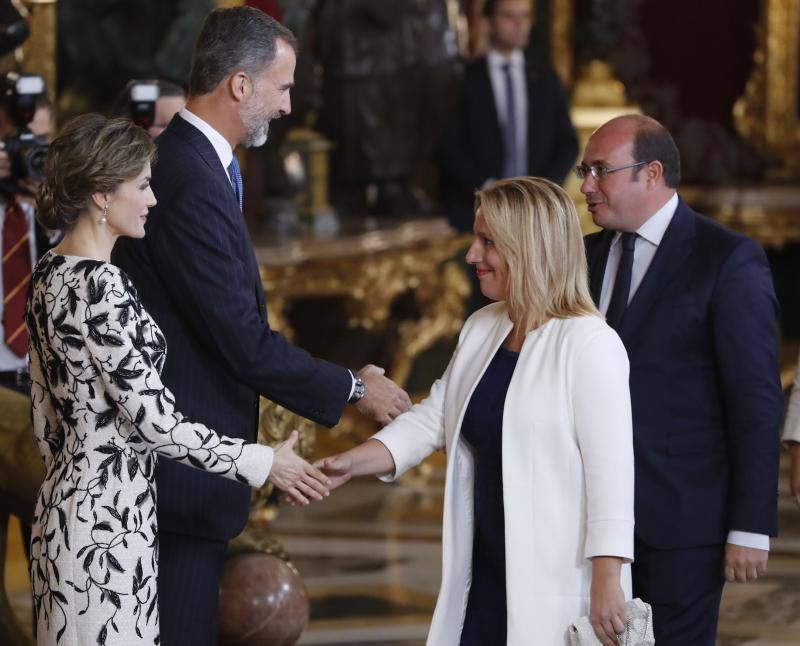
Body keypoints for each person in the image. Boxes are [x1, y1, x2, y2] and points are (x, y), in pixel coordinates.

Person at [111, 7, 411, 644]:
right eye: (283, 87)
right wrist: (356, 387)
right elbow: (241, 341)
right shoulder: (189, 175)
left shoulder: (202, 163)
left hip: (192, 476)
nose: (287, 105)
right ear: (240, 85)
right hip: (179, 481)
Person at [26, 113, 330, 645]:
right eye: (142, 186)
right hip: (108, 533)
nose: (153, 200)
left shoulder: (50, 272)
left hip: (70, 511)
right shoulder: (102, 288)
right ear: (101, 194)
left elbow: (44, 416)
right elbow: (156, 424)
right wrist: (263, 461)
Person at [314, 177, 635, 646]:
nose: (471, 255)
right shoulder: (483, 326)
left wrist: (608, 581)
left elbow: (612, 475)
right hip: (483, 570)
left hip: (560, 584)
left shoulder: (590, 344)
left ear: (529, 248)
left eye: (488, 242)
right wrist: (352, 462)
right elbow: (435, 418)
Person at [581, 114, 783, 645]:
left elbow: (756, 401)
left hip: (683, 522)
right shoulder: (582, 257)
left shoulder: (726, 259)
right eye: (585, 170)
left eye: (600, 170)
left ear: (650, 174)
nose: (585, 185)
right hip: (589, 518)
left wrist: (750, 525)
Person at [438, 0, 578, 233]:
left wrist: (541, 190)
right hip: (476, 212)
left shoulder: (545, 79)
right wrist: (487, 187)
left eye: (526, 17)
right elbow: (448, 145)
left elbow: (567, 143)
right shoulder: (463, 80)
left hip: (537, 215)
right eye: (509, 17)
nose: (520, 24)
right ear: (488, 22)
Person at [0, 93, 54, 394]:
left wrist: (53, 207)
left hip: (43, 368)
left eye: (40, 139)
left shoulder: (61, 201)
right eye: (17, 141)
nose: (29, 152)